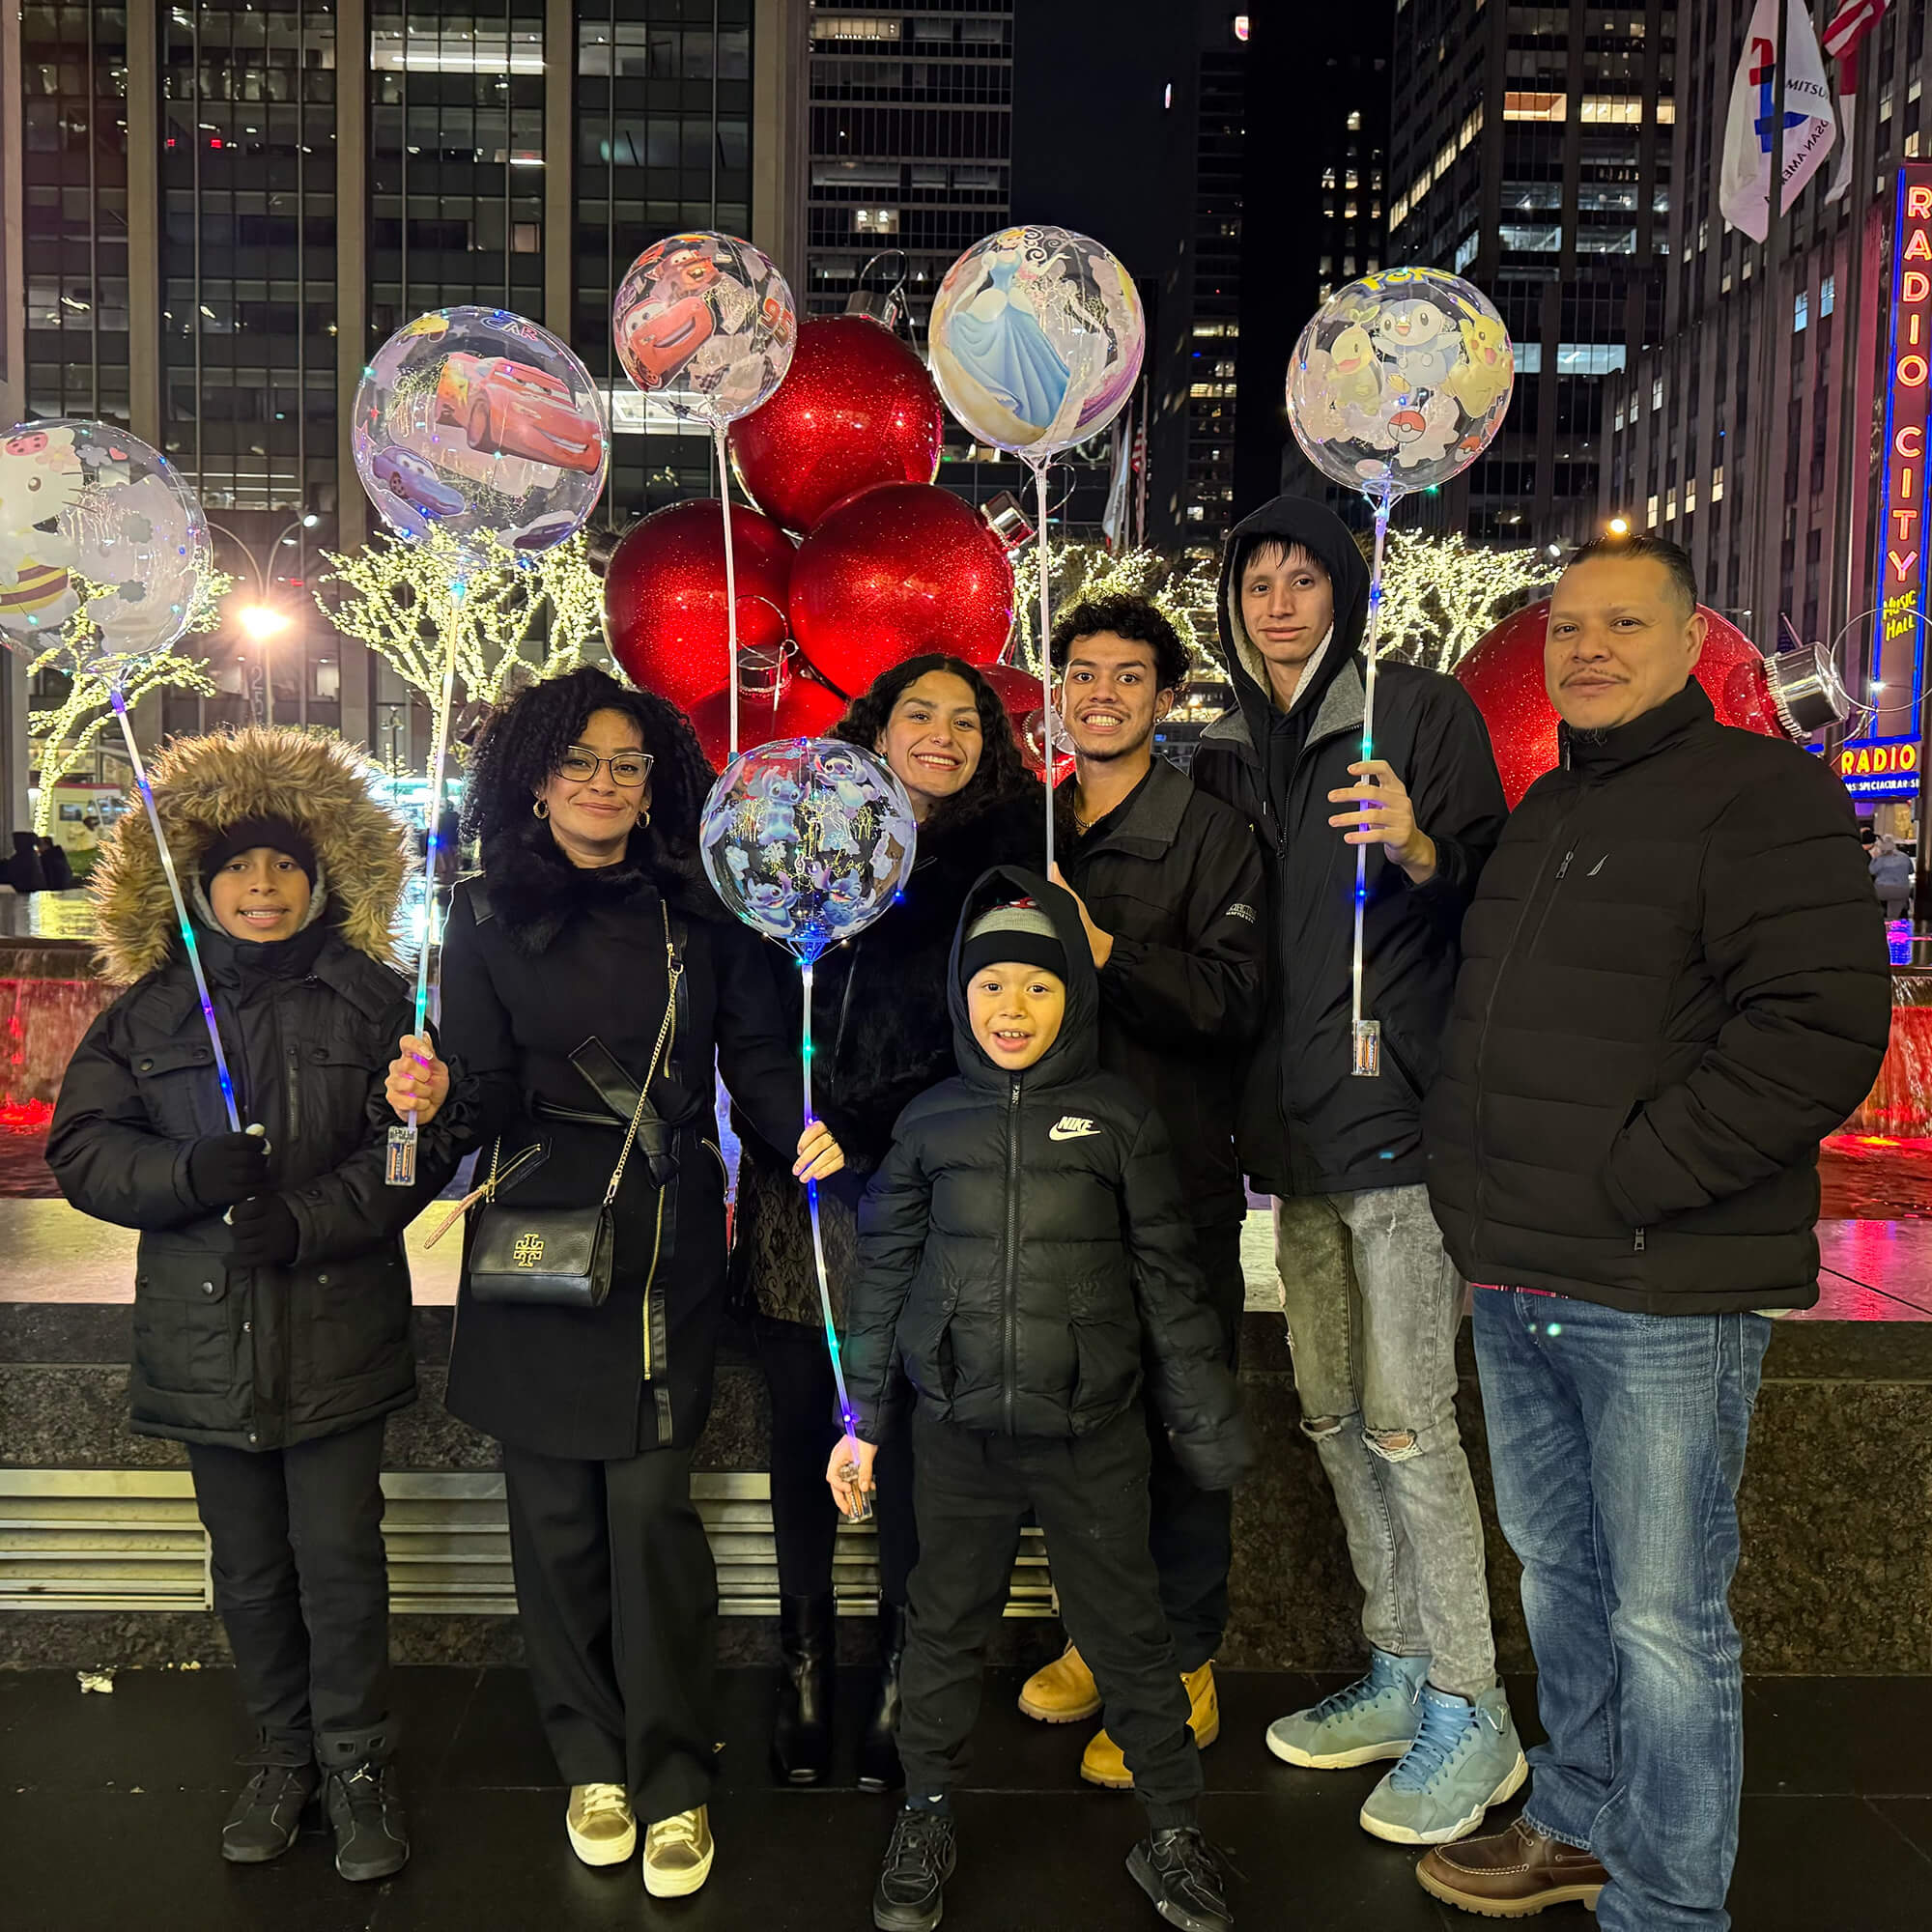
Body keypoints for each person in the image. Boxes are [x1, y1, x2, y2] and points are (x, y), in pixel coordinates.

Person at [1416, 533, 1893, 1929]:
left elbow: (1819, 1035)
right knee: (1563, 1584)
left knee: (1666, 1620)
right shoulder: (1553, 809)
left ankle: (1672, 1901)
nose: (1589, 651)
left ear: (1697, 645)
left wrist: (1640, 1173)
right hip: (1520, 1275)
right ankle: (1577, 1821)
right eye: (1568, 629)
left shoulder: (1761, 799)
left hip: (1661, 1290)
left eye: (1624, 625)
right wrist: (1472, 1193)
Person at [384, 666, 843, 1900]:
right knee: (554, 1523)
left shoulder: (704, 911)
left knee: (649, 1517)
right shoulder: (479, 915)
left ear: (658, 785)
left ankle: (674, 1775)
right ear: (533, 777)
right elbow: (476, 1099)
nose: (603, 780)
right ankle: (589, 1759)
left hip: (666, 1240)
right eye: (578, 759)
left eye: (628, 762)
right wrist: (424, 1107)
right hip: (533, 1239)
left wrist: (805, 1125)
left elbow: (753, 1056)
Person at [45, 727, 456, 1883]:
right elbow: (83, 1146)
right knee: (250, 1566)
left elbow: (410, 1156)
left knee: (338, 1557)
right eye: (238, 869)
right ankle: (283, 1754)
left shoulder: (378, 998)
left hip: (335, 1332)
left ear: (321, 879)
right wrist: (184, 1179)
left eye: (283, 867)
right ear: (201, 882)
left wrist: (326, 1204)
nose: (262, 888)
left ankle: (358, 1757)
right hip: (204, 1335)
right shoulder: (151, 1009)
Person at [1190, 496, 1523, 1846]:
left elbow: (1496, 891)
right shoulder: (1219, 747)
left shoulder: (1420, 715)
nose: (1278, 601)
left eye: (1302, 578)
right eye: (1256, 579)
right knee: (1332, 1415)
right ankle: (1400, 1668)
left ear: (1342, 591)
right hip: (1288, 1140)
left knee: (1410, 1423)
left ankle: (1475, 1703)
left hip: (1393, 1126)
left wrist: (1421, 848)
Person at [831, 872, 1250, 1932]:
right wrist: (862, 1423)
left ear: (1073, 997)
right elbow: (881, 1282)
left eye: (1036, 986)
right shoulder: (927, 1124)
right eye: (990, 986)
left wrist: (1203, 1424)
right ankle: (924, 1812)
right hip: (956, 1435)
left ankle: (1172, 1826)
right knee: (938, 1631)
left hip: (1092, 1434)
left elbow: (1168, 1280)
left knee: (1129, 1637)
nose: (1009, 1007)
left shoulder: (1117, 1119)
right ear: (960, 997)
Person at [730, 653, 1041, 1791]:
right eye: (920, 711)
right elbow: (754, 1013)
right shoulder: (811, 837)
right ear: (877, 724)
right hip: (796, 1182)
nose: (943, 734)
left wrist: (868, 1131)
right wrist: (788, 1124)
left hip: (924, 1186)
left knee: (908, 1437)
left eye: (968, 720)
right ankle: (804, 1662)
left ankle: (907, 1670)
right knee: (801, 1426)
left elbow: (994, 1033)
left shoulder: (997, 870)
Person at [1012, 594, 1264, 1788]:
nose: (1099, 691)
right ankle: (1099, 1637)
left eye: (1126, 675)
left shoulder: (1212, 832)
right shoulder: (1037, 827)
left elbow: (1230, 1000)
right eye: (1080, 671)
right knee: (1081, 1432)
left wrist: (1106, 953)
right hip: (1055, 1186)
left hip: (1174, 1187)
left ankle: (1176, 1666)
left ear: (1165, 699)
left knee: (1178, 1428)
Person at [1870, 833, 1914, 922]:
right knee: (1895, 916)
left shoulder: (1880, 859)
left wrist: (1874, 858)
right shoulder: (1904, 857)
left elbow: (1871, 871)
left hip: (1882, 891)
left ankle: (1882, 926)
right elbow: (1911, 871)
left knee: (1877, 906)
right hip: (1901, 890)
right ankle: (1894, 925)